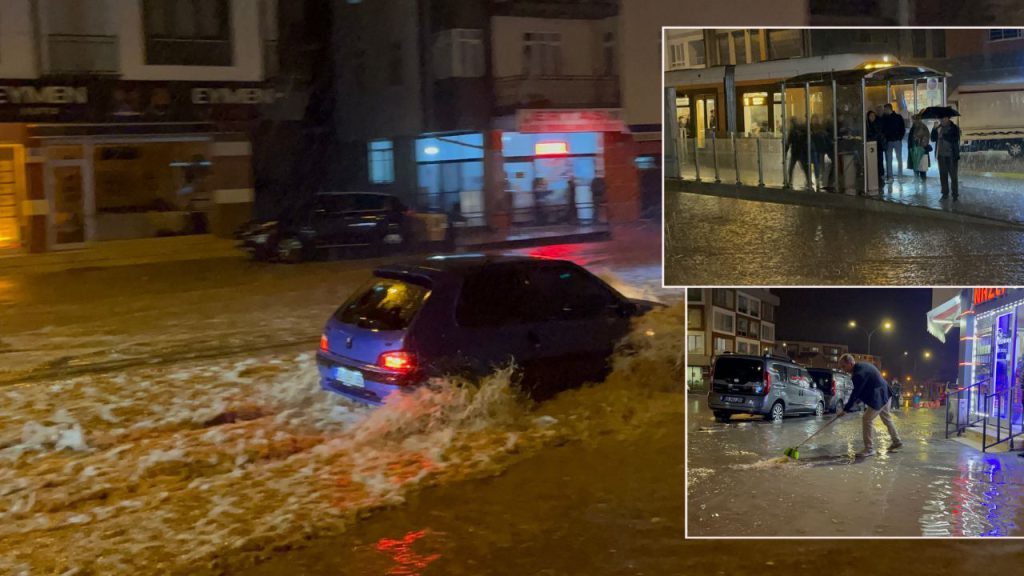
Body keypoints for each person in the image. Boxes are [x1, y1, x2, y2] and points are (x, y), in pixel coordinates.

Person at [837, 354, 903, 457]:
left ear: (850, 363)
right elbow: (862, 390)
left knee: (867, 419)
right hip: (885, 392)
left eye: (844, 366)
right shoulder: (863, 365)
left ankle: (869, 449)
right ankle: (897, 441)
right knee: (887, 419)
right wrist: (850, 406)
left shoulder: (858, 374)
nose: (843, 369)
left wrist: (845, 409)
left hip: (880, 396)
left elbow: (856, 393)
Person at [931, 114, 961, 201]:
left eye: (943, 118)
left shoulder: (954, 128)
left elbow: (955, 138)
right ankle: (945, 193)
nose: (941, 120)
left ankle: (955, 195)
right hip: (941, 155)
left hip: (951, 156)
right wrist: (934, 129)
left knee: (953, 176)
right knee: (943, 176)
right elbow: (933, 138)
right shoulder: (939, 127)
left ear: (948, 118)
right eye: (941, 119)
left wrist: (943, 136)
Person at [880, 103, 906, 181]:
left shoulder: (886, 118)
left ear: (888, 109)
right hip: (894, 140)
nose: (884, 111)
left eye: (885, 109)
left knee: (890, 159)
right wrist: (900, 137)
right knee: (895, 158)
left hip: (892, 140)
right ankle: (898, 175)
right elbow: (902, 128)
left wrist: (899, 137)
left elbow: (902, 129)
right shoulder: (897, 117)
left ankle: (891, 176)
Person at [785, 118, 811, 188]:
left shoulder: (794, 130)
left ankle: (790, 182)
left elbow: (788, 142)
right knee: (804, 167)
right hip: (799, 152)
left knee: (792, 168)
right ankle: (808, 181)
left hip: (796, 152)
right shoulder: (801, 129)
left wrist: (785, 152)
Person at [811, 114, 834, 190]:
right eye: (814, 119)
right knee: (817, 164)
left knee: (820, 164)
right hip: (814, 148)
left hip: (820, 148)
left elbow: (824, 135)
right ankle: (818, 179)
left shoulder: (819, 127)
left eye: (816, 119)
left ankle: (820, 179)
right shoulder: (810, 127)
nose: (815, 120)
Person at [866, 111, 886, 190]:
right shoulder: (866, 125)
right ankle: (873, 175)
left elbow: (879, 134)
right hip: (870, 146)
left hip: (879, 145)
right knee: (872, 161)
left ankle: (881, 175)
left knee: (880, 161)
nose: (872, 117)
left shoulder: (878, 123)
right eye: (871, 116)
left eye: (873, 116)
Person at [908, 114, 931, 182]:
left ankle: (922, 183)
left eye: (913, 119)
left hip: (920, 150)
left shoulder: (922, 127)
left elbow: (925, 138)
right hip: (915, 150)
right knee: (917, 167)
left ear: (917, 120)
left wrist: (918, 142)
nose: (912, 121)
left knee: (921, 168)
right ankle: (917, 181)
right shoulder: (914, 127)